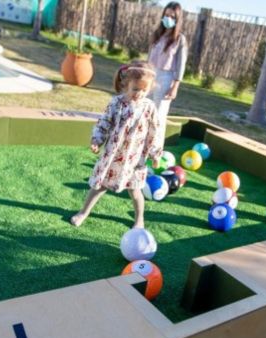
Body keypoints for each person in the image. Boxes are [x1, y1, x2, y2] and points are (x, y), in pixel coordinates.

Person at [70, 61, 162, 229]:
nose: (139, 93)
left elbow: (154, 132)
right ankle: (83, 212)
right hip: (113, 155)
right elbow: (105, 122)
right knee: (100, 186)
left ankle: (139, 219)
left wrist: (155, 154)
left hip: (134, 159)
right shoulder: (117, 102)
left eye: (144, 90)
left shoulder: (149, 107)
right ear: (126, 84)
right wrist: (97, 140)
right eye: (135, 89)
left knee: (135, 190)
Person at [148, 1, 187, 137]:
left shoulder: (179, 39)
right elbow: (149, 57)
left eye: (172, 16)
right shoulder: (157, 35)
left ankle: (155, 150)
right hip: (150, 74)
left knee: (159, 114)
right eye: (166, 15)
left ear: (177, 19)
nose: (168, 19)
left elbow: (181, 64)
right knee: (144, 109)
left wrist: (175, 86)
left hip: (166, 77)